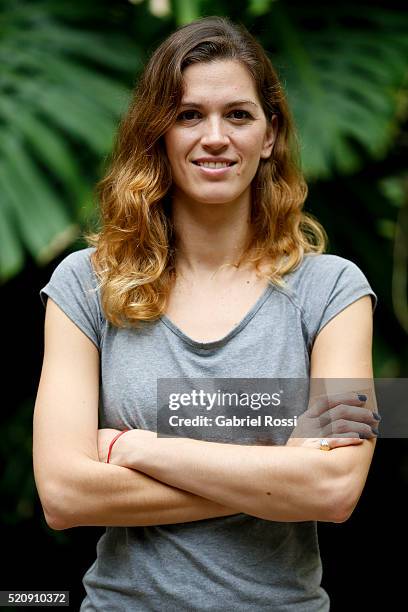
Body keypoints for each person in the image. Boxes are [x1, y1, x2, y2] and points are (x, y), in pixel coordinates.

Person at [33, 15, 379, 611]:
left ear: (269, 135)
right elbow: (64, 496)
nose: (214, 137)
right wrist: (278, 479)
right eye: (189, 115)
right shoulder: (85, 286)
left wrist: (141, 449)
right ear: (158, 132)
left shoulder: (336, 291)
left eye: (238, 115)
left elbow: (336, 488)